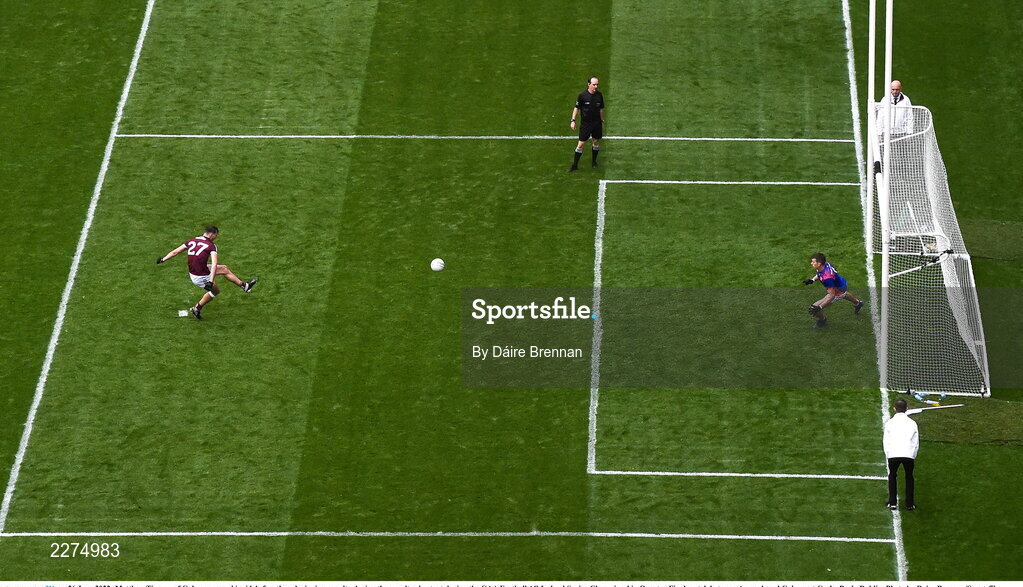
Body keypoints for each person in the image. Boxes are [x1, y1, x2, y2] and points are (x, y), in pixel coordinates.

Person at [156, 225, 258, 320]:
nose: (216, 238)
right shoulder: (211, 246)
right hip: (200, 276)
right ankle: (197, 308)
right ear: (212, 234)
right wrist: (211, 281)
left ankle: (245, 286)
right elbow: (214, 264)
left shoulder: (192, 241)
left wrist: (163, 259)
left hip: (195, 270)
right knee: (215, 291)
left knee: (224, 269)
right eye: (216, 235)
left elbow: (175, 252)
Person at [803, 253, 865, 328]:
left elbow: (832, 295)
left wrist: (820, 307)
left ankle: (822, 320)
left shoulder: (827, 278)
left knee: (813, 308)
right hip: (841, 283)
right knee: (843, 294)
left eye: (813, 262)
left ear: (819, 264)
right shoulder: (825, 264)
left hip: (837, 291)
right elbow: (819, 274)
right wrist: (812, 280)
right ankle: (858, 303)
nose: (811, 263)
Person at [883, 398, 919, 510]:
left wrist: (888, 454)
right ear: (906, 409)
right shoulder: (912, 423)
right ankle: (909, 504)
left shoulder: (889, 423)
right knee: (909, 477)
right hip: (908, 454)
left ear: (894, 409)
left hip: (893, 454)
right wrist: (913, 455)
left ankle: (892, 502)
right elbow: (916, 442)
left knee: (892, 476)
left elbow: (886, 441)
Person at [568, 76, 605, 172]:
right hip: (586, 124)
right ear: (589, 84)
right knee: (581, 144)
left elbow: (601, 109)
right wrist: (573, 120)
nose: (596, 86)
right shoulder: (582, 96)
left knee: (596, 142)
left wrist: (602, 121)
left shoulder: (599, 95)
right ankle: (575, 165)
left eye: (597, 84)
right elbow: (576, 108)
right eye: (594, 84)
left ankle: (594, 162)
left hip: (596, 123)